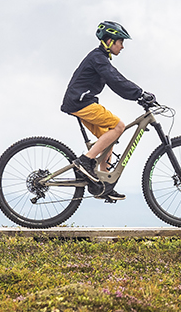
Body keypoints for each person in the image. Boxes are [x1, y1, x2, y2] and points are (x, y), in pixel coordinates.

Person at [61, 20, 156, 200]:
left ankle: (103, 185)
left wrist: (137, 95)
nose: (122, 46)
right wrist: (140, 93)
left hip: (80, 102)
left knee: (108, 137)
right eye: (121, 42)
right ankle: (85, 161)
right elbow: (115, 80)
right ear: (110, 41)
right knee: (119, 126)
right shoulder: (98, 58)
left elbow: (116, 82)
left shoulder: (101, 58)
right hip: (80, 103)